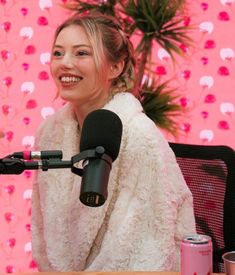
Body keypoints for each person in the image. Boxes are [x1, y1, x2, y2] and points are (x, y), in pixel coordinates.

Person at [31, 12, 196, 272]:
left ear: (115, 66)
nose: (65, 63)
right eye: (58, 53)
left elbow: (141, 249)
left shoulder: (141, 138)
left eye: (82, 53)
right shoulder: (49, 133)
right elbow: (44, 233)